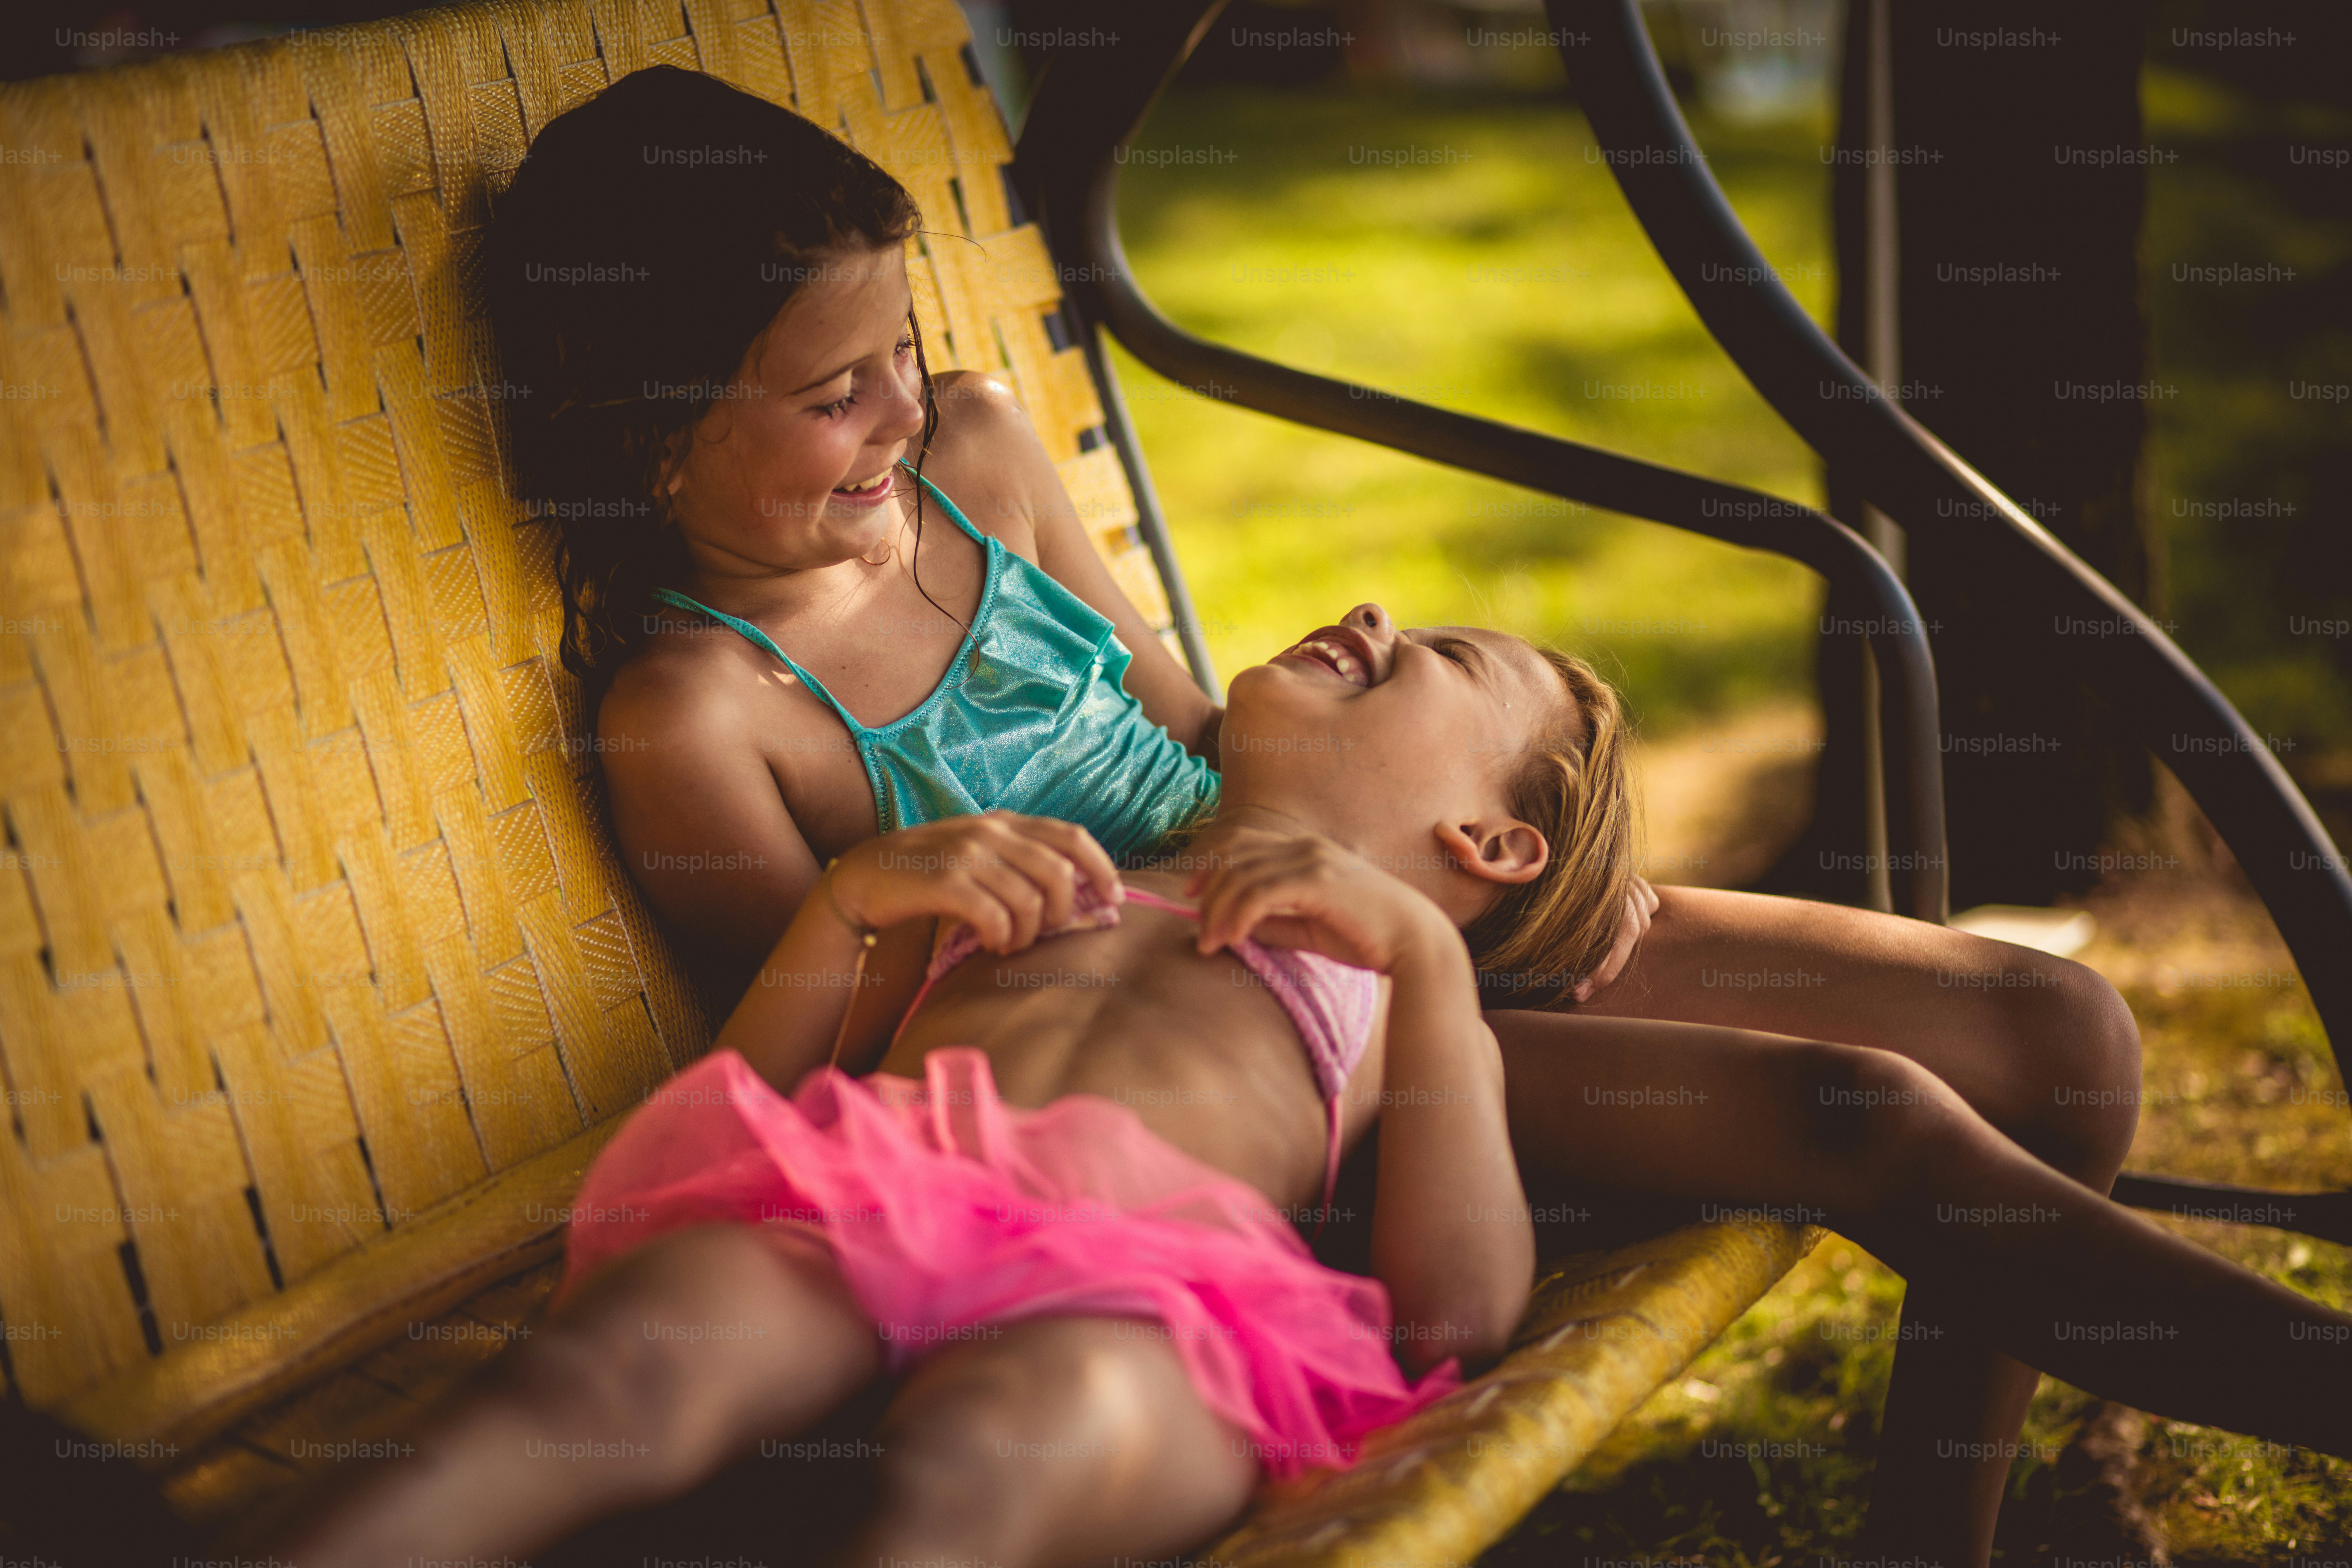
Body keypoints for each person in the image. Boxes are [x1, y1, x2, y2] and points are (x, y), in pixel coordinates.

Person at [481, 67, 2278, 1563]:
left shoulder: (974, 453)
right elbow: (826, 1057)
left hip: (1342, 887)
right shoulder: (703, 718)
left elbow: (1181, 715)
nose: (895, 404)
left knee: (2047, 1027)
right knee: (1856, 1105)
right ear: (659, 442)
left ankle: (1942, 1531)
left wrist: (1433, 828)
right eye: (830, 388)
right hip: (1211, 1050)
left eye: (901, 345)